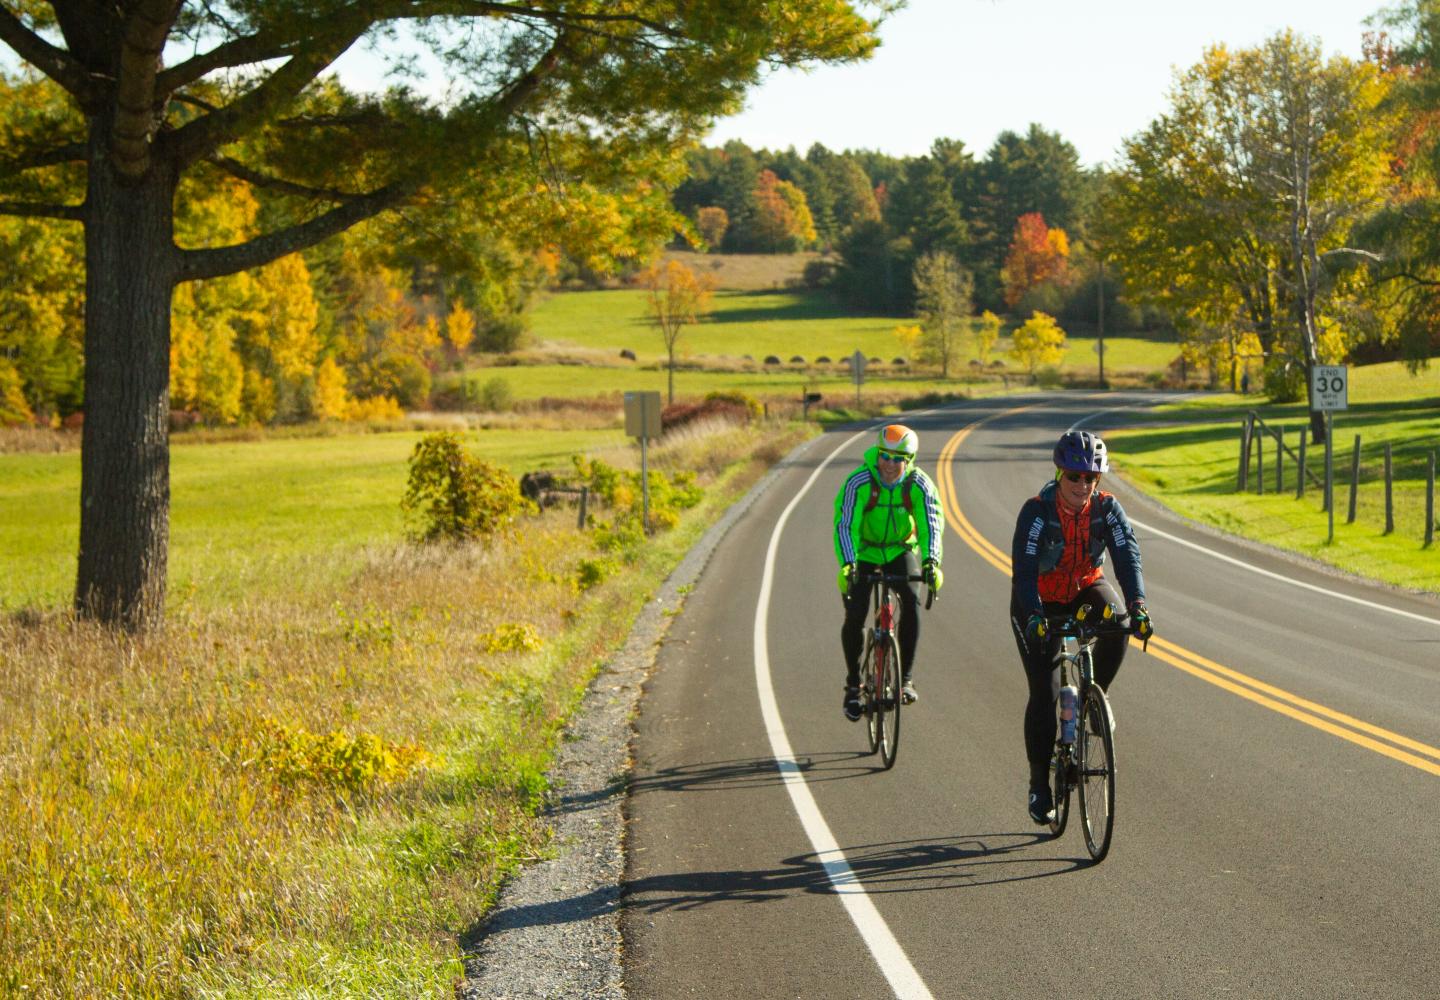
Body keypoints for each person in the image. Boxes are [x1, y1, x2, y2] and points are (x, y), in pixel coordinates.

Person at [1009, 430, 1153, 825]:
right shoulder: (1037, 512)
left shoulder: (1107, 510)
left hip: (1085, 586)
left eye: (1090, 478)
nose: (1082, 484)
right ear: (1060, 474)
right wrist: (1036, 615)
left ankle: (1095, 701)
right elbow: (1023, 572)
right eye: (1074, 476)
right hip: (1038, 600)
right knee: (1045, 691)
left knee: (1118, 622)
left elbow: (1127, 559)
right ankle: (1040, 785)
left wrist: (1139, 606)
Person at [833, 424, 944, 721]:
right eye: (885, 456)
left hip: (899, 549)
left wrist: (931, 562)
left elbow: (931, 524)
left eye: (898, 458)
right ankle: (853, 685)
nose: (890, 464)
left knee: (911, 600)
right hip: (864, 552)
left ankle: (905, 679)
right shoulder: (859, 482)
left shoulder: (919, 484)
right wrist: (848, 563)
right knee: (855, 614)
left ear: (909, 459)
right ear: (878, 454)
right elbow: (846, 525)